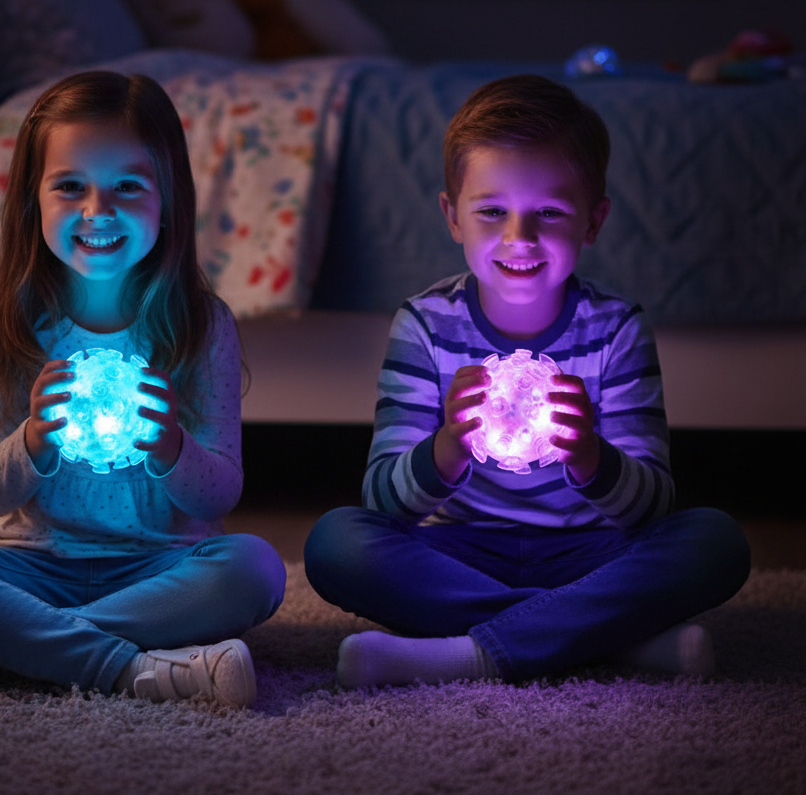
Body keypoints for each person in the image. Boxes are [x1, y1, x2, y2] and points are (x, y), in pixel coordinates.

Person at [303, 74, 750, 688]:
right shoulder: (425, 325)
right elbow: (382, 498)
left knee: (714, 542)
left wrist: (592, 458)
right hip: (461, 553)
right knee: (337, 542)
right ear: (452, 217)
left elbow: (654, 505)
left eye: (549, 212)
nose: (519, 237)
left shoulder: (617, 328)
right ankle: (609, 641)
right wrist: (446, 451)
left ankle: (465, 651)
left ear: (593, 222)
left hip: (590, 555)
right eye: (491, 211)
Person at [0, 71, 286, 707]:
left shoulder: (201, 325)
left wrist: (170, 447)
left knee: (254, 568)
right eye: (70, 186)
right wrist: (33, 440)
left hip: (157, 567)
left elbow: (220, 491)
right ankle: (129, 667)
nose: (98, 211)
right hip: (24, 566)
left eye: (126, 186)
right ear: (33, 199)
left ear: (168, 198)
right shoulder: (0, 321)